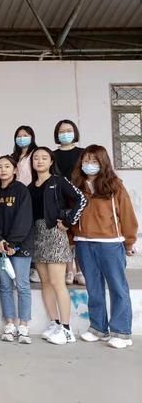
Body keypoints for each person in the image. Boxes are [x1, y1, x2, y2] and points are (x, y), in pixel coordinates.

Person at [71, 145, 138, 349]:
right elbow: (71, 214)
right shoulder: (76, 186)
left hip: (110, 243)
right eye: (86, 160)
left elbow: (127, 214)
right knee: (93, 287)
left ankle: (122, 332)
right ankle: (98, 328)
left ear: (103, 163)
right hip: (83, 243)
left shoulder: (114, 186)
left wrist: (129, 241)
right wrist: (72, 238)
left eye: (94, 161)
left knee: (117, 287)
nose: (89, 164)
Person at [28, 146, 87, 345]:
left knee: (57, 282)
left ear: (51, 161)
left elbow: (82, 199)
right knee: (45, 282)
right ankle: (54, 323)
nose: (39, 161)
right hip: (37, 235)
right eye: (36, 158)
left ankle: (67, 328)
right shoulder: (30, 186)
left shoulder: (59, 181)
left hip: (54, 233)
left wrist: (69, 221)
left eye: (44, 158)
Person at [0, 155, 34, 344]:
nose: (3, 170)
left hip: (19, 246)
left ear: (15, 170)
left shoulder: (21, 190)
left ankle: (23, 325)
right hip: (0, 247)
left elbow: (24, 219)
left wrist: (12, 243)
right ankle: (9, 324)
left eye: (7, 166)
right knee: (4, 286)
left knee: (22, 285)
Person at [53, 119, 85, 286]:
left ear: (75, 133)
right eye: (62, 131)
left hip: (78, 199)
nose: (65, 134)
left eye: (68, 131)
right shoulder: (53, 155)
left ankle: (80, 271)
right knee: (65, 237)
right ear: (57, 134)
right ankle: (69, 271)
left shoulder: (83, 153)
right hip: (60, 199)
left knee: (78, 235)